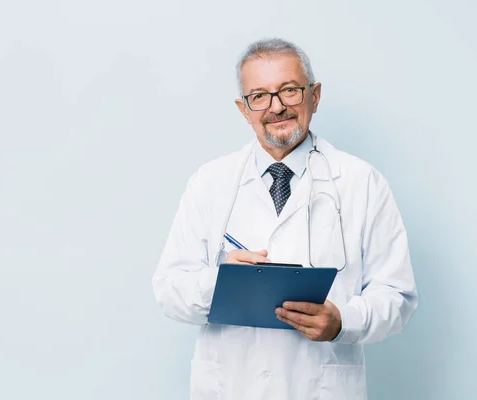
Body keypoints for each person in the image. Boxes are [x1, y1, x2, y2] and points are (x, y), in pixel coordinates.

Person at [151, 38, 418, 400]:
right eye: (259, 96)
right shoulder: (209, 182)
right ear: (243, 109)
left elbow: (397, 295)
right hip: (229, 387)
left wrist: (343, 322)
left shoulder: (361, 182)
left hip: (319, 387)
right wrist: (222, 282)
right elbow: (169, 288)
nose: (276, 107)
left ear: (315, 95)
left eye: (289, 90)